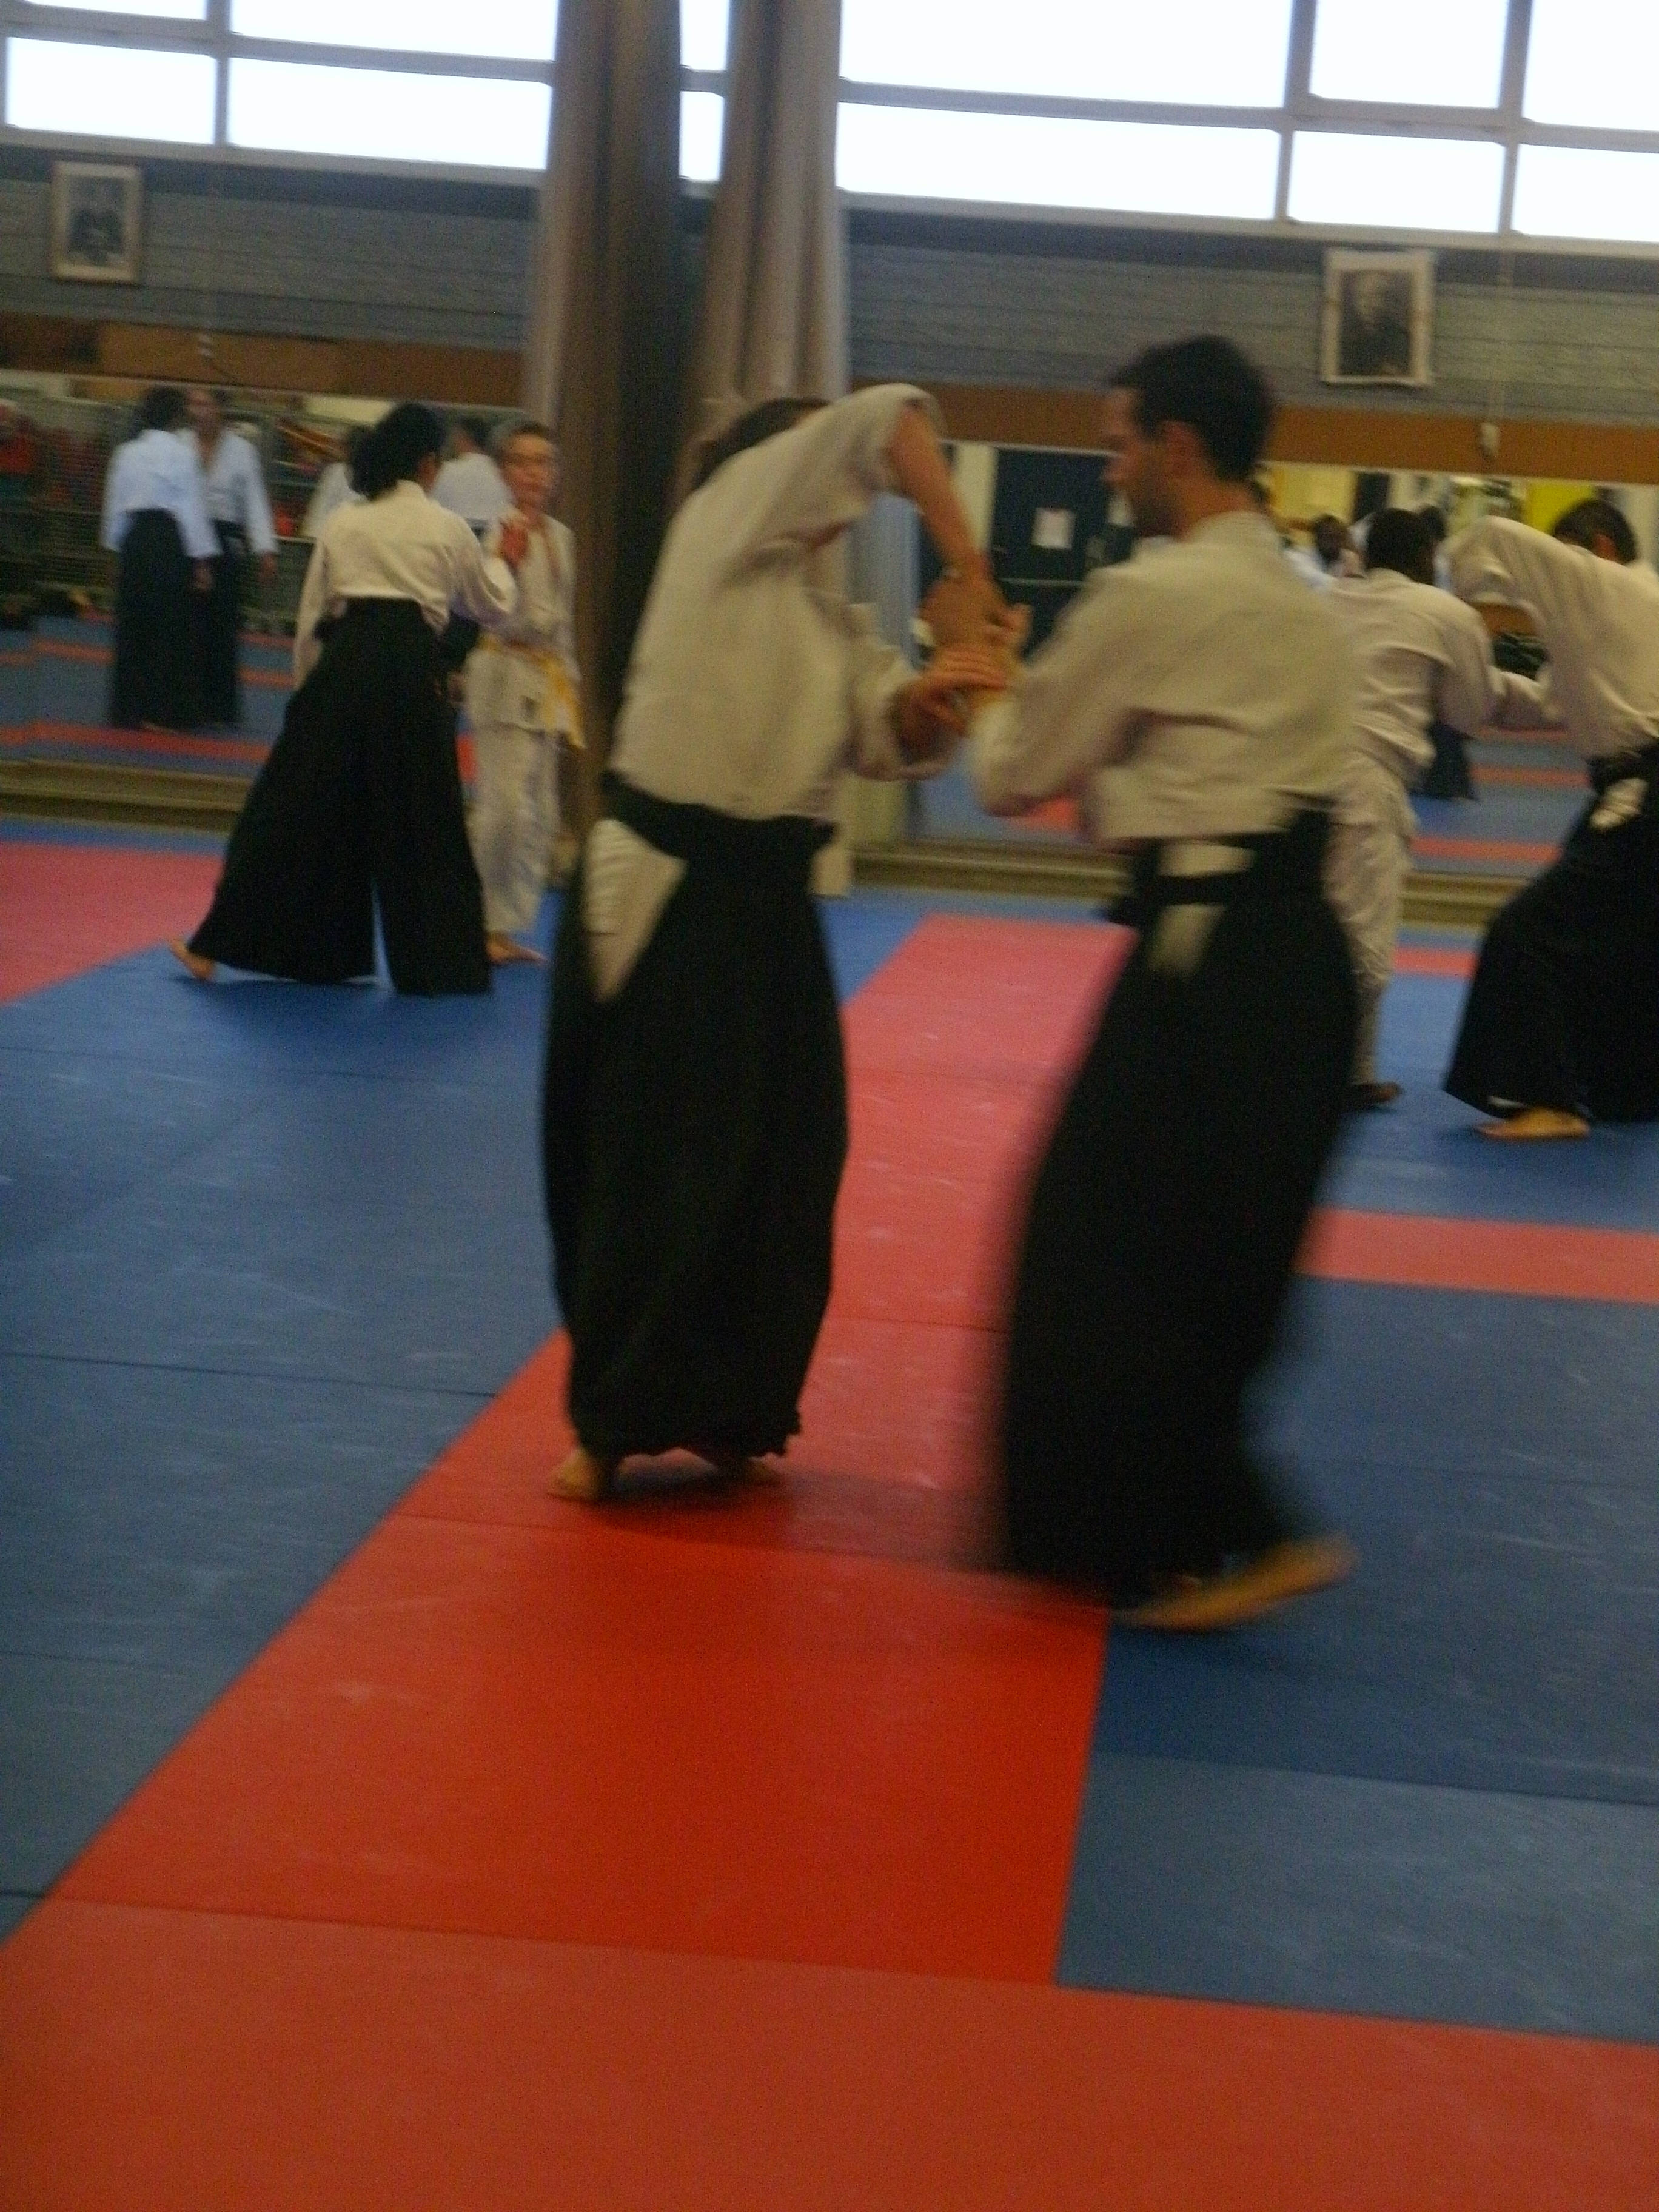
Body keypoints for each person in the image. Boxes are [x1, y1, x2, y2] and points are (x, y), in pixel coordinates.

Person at [933, 335, 1359, 1629]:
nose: (1110, 471)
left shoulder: (1149, 594)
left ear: (1178, 446)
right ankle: (1181, 1528)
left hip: (1204, 961)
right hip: (1302, 958)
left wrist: (980, 671)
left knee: (1095, 1243)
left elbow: (1015, 778)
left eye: (1120, 447)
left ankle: (1235, 1527)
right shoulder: (1306, 597)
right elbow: (1169, 783)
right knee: (1212, 1255)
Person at [543, 385, 1010, 1503]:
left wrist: (948, 678)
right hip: (669, 888)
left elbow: (891, 728)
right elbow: (894, 424)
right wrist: (972, 566)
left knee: (784, 1164)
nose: (847, 497)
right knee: (655, 1163)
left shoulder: (826, 621)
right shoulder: (718, 527)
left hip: (770, 905)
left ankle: (733, 1405)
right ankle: (612, 1420)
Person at [171, 403, 529, 997]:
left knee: (288, 810)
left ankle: (218, 948)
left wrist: (308, 691)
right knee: (427, 819)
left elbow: (314, 614)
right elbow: (490, 604)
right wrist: (507, 562)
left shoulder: (344, 522)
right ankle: (444, 968)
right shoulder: (445, 527)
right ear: (428, 463)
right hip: (412, 670)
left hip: (346, 663)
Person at [1443, 497, 1659, 1137]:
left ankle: (1548, 1098)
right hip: (1633, 789)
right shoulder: (1627, 614)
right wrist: (1465, 687)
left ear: (1600, 548)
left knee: (1527, 933)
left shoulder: (1602, 583)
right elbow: (1548, 704)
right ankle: (1624, 1090)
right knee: (1622, 945)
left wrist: (1461, 612)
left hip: (1644, 791)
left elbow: (1488, 538)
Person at [1324, 509, 1551, 1108]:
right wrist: (1557, 702)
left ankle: (1286, 1056)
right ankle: (1350, 1073)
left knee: (1297, 924)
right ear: (1427, 559)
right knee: (1363, 934)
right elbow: (1470, 711)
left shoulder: (1329, 598)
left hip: (1290, 778)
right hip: (1365, 780)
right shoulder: (1444, 612)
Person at [463, 422, 579, 965]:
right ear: (505, 472)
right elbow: (487, 607)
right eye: (524, 462)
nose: (535, 473)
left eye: (544, 462)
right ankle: (475, 920)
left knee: (541, 814)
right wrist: (505, 562)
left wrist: (571, 686)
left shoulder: (562, 538)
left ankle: (505, 928)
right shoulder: (496, 533)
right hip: (505, 673)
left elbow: (565, 622)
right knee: (503, 808)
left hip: (548, 680)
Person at [99, 386, 216, 730]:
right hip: (169, 542)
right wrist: (202, 560)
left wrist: (112, 552)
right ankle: (161, 710)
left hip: (136, 540)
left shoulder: (126, 453)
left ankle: (128, 710)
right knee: (170, 626)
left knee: (132, 623)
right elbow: (192, 510)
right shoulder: (183, 455)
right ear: (175, 417)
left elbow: (115, 505)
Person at [187, 388, 278, 726]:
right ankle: (187, 702)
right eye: (193, 404)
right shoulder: (180, 444)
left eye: (205, 404)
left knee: (223, 625)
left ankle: (220, 708)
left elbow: (255, 502)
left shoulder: (242, 451)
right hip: (187, 539)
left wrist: (265, 549)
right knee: (187, 624)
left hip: (226, 542)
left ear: (220, 409)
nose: (198, 411)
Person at [431, 418, 510, 535]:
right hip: (494, 536)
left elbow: (432, 507)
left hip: (454, 535)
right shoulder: (504, 474)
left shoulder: (444, 472)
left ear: (462, 438)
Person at [301, 427, 366, 538]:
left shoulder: (336, 471)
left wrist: (311, 534)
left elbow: (321, 506)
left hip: (332, 535)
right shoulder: (373, 476)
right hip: (353, 537)